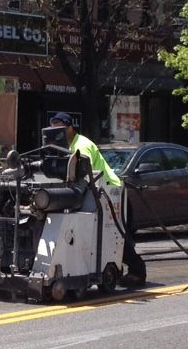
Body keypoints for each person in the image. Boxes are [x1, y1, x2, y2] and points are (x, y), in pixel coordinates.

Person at [51, 111, 146, 286]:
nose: (57, 130)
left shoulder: (81, 146)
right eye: (54, 127)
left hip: (110, 192)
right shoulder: (61, 146)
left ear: (71, 127)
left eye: (61, 127)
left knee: (115, 235)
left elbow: (86, 175)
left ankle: (138, 271)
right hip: (96, 191)